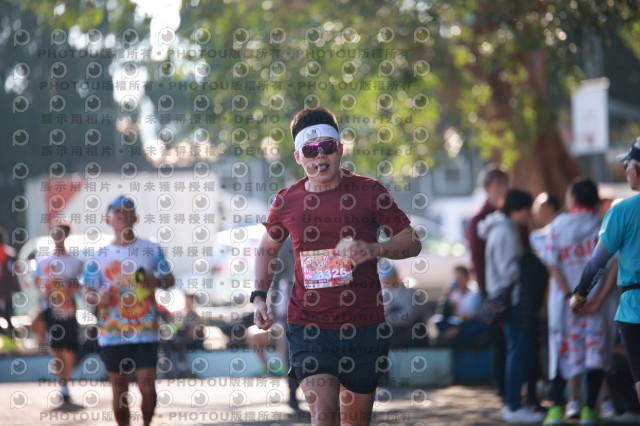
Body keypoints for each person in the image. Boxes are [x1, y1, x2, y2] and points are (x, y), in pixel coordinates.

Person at [253, 106, 421, 426]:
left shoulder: (370, 191)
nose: (320, 156)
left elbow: (411, 242)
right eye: (310, 150)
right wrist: (258, 296)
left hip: (364, 327)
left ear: (340, 149)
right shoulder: (287, 200)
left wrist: (374, 248)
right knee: (324, 415)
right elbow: (267, 250)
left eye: (327, 147)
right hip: (309, 327)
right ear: (298, 157)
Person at [81, 195, 175, 426]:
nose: (123, 218)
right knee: (120, 390)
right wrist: (98, 297)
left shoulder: (151, 248)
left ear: (136, 218)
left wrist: (157, 281)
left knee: (147, 387)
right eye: (118, 214)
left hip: (146, 331)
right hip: (112, 333)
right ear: (108, 220)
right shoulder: (99, 254)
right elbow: (87, 292)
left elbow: (170, 279)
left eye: (128, 213)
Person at [571, 137, 640, 414]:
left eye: (627, 165)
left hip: (635, 308)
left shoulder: (621, 212)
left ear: (637, 169)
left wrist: (579, 295)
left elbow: (596, 265)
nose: (625, 171)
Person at [542, 178, 615, 425]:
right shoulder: (604, 225)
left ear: (572, 199)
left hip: (565, 307)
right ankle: (590, 411)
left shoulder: (557, 225)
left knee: (561, 352)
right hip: (597, 307)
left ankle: (555, 411)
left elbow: (552, 264)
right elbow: (614, 264)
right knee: (596, 354)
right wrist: (598, 299)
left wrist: (568, 296)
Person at [479, 189, 544, 423]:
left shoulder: (500, 228)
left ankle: (513, 403)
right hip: (513, 300)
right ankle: (513, 405)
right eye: (526, 210)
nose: (528, 215)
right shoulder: (505, 231)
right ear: (517, 209)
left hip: (506, 299)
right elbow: (509, 271)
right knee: (518, 351)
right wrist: (528, 264)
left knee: (516, 351)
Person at [246, 237, 301, 411]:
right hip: (290, 313)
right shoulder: (286, 243)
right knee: (291, 351)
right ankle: (292, 391)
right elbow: (276, 279)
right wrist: (264, 304)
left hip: (323, 309)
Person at [33, 221, 82, 403]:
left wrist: (69, 284)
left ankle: (66, 380)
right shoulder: (43, 260)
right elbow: (37, 283)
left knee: (69, 349)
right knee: (56, 348)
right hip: (50, 309)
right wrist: (45, 292)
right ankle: (63, 385)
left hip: (68, 310)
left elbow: (82, 287)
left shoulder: (75, 261)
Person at [430, 265, 486, 346]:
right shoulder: (452, 294)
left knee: (480, 325)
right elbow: (442, 314)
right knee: (438, 321)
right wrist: (445, 297)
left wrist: (459, 328)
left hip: (468, 324)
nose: (458, 280)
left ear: (467, 278)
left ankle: (455, 340)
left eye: (461, 277)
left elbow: (476, 316)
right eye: (456, 278)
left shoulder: (474, 294)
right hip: (454, 323)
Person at [378, 260, 422, 347]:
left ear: (396, 275)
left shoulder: (410, 291)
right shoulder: (384, 293)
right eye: (384, 279)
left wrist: (386, 317)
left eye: (389, 278)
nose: (386, 281)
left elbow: (408, 316)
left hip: (411, 335)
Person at [0, 226, 20, 336]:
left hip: (4, 289)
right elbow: (16, 270)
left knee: (6, 315)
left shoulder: (7, 253)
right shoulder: (9, 253)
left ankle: (8, 336)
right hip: (6, 290)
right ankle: (10, 336)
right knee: (8, 315)